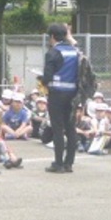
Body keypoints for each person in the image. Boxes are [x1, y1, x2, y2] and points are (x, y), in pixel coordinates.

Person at [41, 23, 79, 174]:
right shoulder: (75, 51)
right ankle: (69, 163)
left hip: (57, 94)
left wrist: (42, 79)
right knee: (70, 128)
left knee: (58, 128)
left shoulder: (53, 53)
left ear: (52, 36)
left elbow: (47, 77)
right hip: (73, 94)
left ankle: (58, 163)